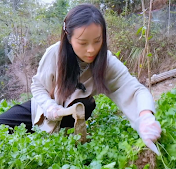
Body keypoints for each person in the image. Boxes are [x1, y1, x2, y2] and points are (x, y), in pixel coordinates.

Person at [0, 4, 161, 155]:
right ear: (68, 38)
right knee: (3, 124)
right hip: (42, 108)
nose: (91, 49)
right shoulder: (54, 53)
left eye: (97, 41)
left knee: (84, 104)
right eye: (83, 43)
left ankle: (64, 135)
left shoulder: (107, 62)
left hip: (75, 111)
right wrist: (50, 106)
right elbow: (38, 86)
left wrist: (145, 116)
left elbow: (135, 90)